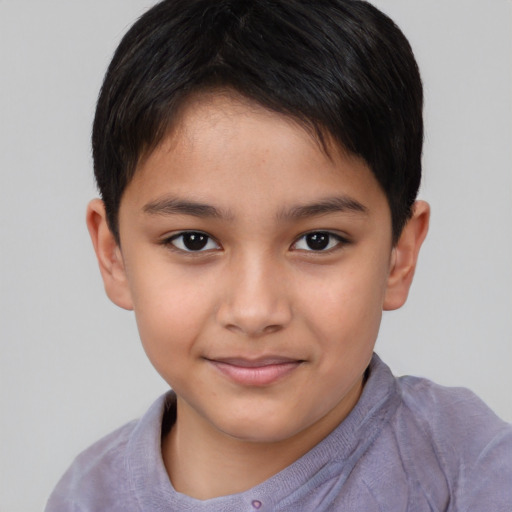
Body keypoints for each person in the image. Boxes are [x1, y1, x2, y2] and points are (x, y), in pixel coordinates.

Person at [45, 0, 512, 510]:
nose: (254, 311)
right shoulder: (86, 497)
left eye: (318, 240)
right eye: (193, 240)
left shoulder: (471, 469)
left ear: (399, 255)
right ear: (114, 255)